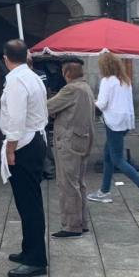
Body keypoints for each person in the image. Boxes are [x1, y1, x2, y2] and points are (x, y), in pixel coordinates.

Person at [0, 39, 49, 277]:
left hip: (24, 144)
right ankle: (29, 249)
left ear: (5, 58)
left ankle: (35, 259)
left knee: (28, 204)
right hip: (35, 139)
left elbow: (16, 119)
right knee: (29, 201)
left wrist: (10, 149)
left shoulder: (16, 80)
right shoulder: (32, 76)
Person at [87, 52, 139, 209]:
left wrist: (91, 102)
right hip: (125, 122)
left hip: (113, 123)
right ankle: (104, 191)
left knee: (117, 159)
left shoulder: (107, 81)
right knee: (108, 157)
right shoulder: (125, 80)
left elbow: (102, 104)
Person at [46, 57, 95, 238]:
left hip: (69, 141)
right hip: (83, 138)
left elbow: (48, 107)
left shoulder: (71, 89)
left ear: (66, 72)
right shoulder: (86, 87)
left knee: (67, 184)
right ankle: (82, 222)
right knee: (79, 183)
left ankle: (71, 226)